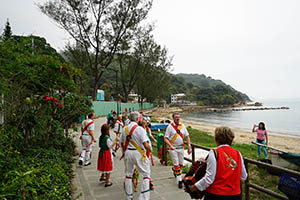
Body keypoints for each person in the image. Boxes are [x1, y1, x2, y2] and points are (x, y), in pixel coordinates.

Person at [189, 126, 248, 200]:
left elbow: (209, 179)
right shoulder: (238, 153)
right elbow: (244, 176)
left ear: (216, 139)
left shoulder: (214, 153)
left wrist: (194, 187)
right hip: (234, 195)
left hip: (215, 195)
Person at [120, 111, 152, 200]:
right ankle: (144, 197)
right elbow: (145, 144)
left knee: (128, 175)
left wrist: (124, 153)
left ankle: (129, 196)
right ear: (138, 119)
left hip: (128, 153)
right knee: (146, 175)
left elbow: (122, 143)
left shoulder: (124, 129)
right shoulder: (140, 129)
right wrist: (150, 150)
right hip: (139, 154)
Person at [164, 113, 192, 189]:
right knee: (176, 164)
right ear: (173, 118)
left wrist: (189, 146)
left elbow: (187, 136)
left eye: (179, 117)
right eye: (176, 118)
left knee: (180, 164)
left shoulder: (182, 126)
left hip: (181, 148)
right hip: (173, 148)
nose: (178, 119)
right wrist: (170, 145)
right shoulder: (170, 127)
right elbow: (165, 138)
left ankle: (174, 169)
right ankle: (179, 181)